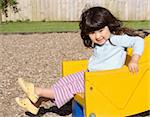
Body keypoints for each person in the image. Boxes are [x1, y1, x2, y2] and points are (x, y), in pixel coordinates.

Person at [15, 6, 144, 115]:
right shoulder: (100, 43)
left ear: (108, 26)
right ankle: (36, 103)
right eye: (93, 33)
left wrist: (134, 59)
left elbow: (138, 41)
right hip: (91, 75)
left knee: (70, 88)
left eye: (101, 30)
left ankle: (37, 91)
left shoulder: (114, 39)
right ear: (87, 33)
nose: (98, 36)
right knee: (65, 81)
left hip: (102, 81)